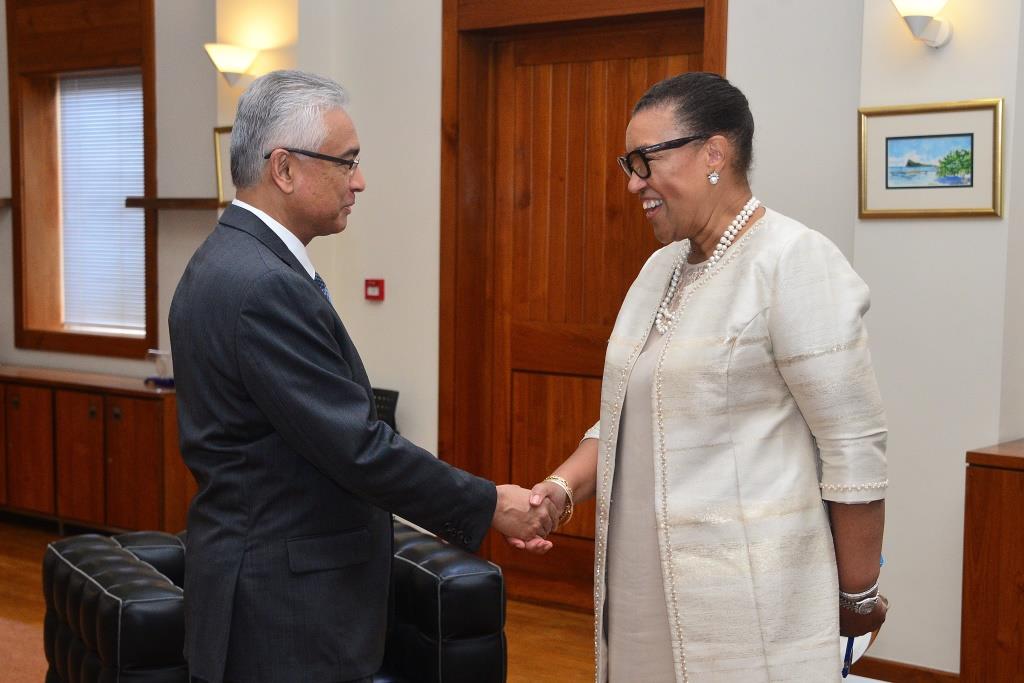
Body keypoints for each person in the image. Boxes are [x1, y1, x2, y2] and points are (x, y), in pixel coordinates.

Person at [169, 70, 556, 683]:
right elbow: (356, 448)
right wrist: (489, 504)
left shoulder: (226, 258)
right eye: (346, 162)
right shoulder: (263, 283)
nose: (360, 181)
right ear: (285, 168)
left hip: (261, 588)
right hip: (285, 612)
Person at [520, 72, 889, 681]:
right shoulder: (658, 269)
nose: (634, 182)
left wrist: (855, 596)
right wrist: (559, 491)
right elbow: (627, 413)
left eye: (645, 161)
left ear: (714, 153)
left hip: (746, 604)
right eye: (627, 164)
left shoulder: (792, 259)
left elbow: (853, 446)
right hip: (636, 586)